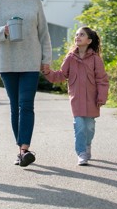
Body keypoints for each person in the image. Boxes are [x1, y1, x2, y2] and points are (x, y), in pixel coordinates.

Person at [0, 0, 52, 167]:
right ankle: (20, 150)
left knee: (26, 105)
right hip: (7, 61)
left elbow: (43, 32)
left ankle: (25, 149)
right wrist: (3, 31)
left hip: (31, 60)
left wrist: (46, 60)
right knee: (15, 106)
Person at [43, 26, 109, 166]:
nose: (77, 37)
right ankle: (81, 153)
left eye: (82, 35)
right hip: (76, 99)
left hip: (92, 99)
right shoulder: (70, 58)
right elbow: (61, 75)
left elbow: (102, 80)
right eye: (77, 34)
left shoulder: (96, 59)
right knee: (79, 125)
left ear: (89, 40)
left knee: (89, 127)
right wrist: (48, 72)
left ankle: (87, 144)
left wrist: (101, 97)